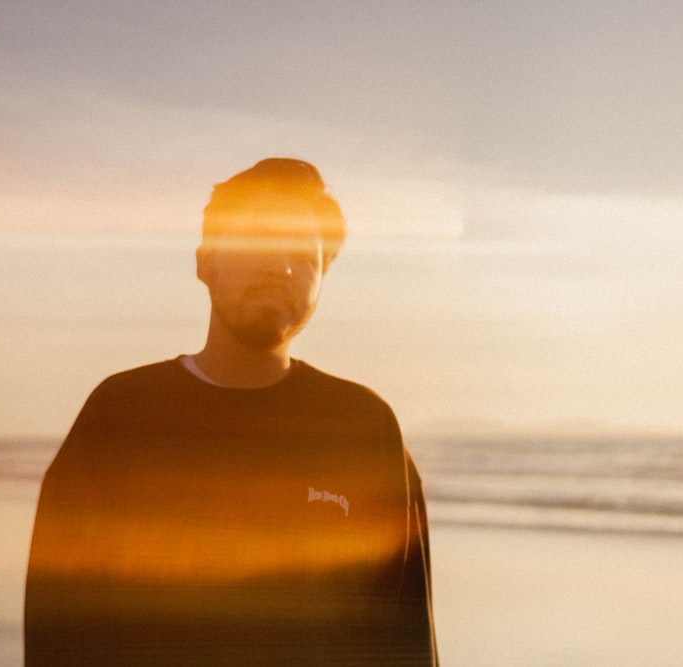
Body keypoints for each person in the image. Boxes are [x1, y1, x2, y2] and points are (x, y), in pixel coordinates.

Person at [24, 157, 439, 666]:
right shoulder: (122, 413)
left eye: (304, 256)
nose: (279, 265)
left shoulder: (362, 426)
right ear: (205, 260)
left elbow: (405, 640)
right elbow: (58, 633)